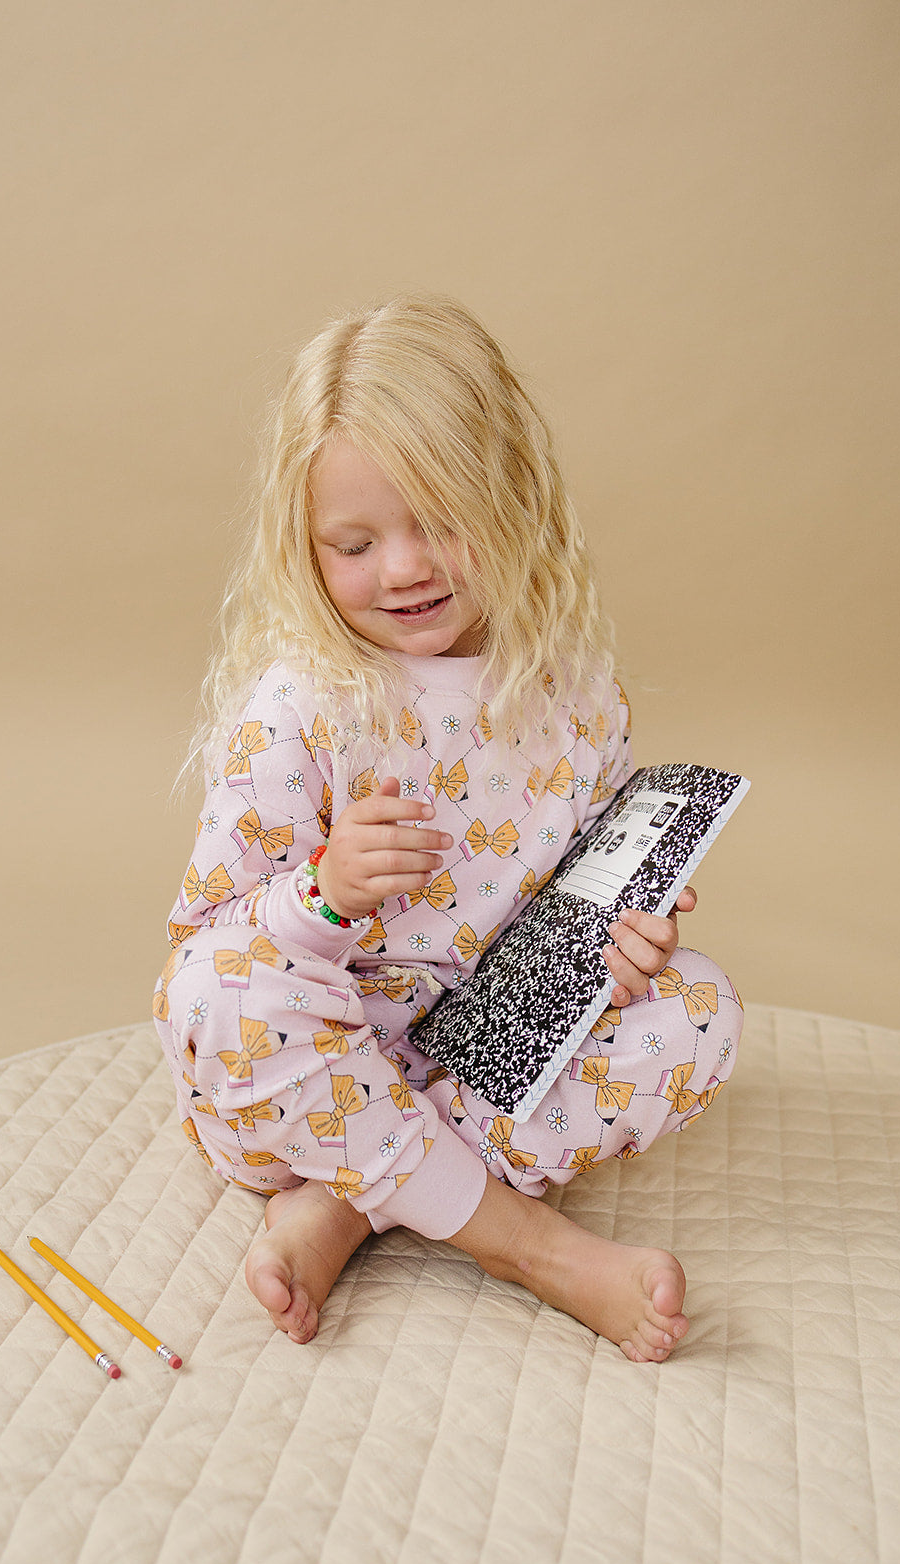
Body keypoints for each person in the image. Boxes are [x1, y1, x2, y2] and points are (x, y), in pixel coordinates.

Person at [153, 294, 743, 1362]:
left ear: (512, 498)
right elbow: (209, 942)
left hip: (475, 1065)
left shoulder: (571, 696)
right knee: (218, 994)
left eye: (439, 521)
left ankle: (352, 1205)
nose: (402, 569)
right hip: (303, 1076)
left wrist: (616, 951)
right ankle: (526, 1245)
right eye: (354, 543)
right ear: (305, 546)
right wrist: (324, 894)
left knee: (699, 1008)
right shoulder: (299, 707)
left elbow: (561, 927)